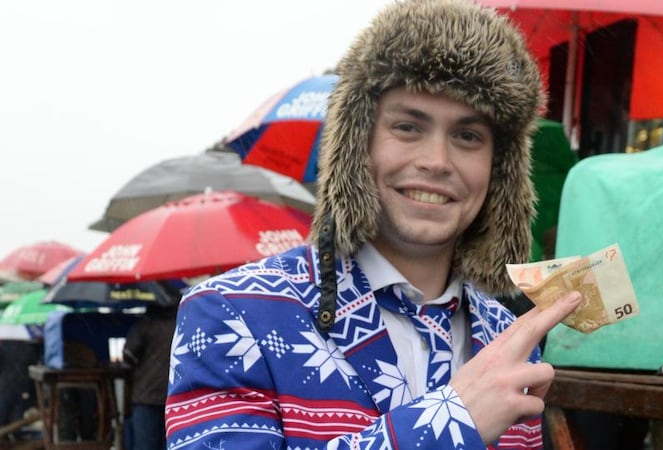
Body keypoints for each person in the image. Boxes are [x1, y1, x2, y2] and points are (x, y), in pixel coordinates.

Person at [165, 1, 582, 448]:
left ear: (499, 169)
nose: (437, 162)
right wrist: (452, 421)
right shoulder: (233, 311)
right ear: (358, 143)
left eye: (467, 136)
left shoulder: (510, 339)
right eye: (407, 127)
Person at [123, 304, 176, 450]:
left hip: (145, 395)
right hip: (173, 395)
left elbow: (129, 356)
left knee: (144, 445)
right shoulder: (180, 325)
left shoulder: (144, 325)